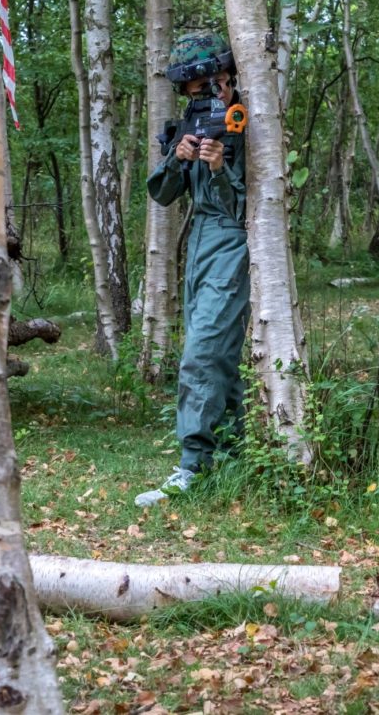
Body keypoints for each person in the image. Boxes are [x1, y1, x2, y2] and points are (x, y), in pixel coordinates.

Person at [136, 31, 249, 507]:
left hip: (230, 245)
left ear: (221, 81)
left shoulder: (244, 124)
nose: (194, 98)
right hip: (199, 246)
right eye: (189, 92)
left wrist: (222, 167)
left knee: (201, 353)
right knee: (217, 355)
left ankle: (192, 465)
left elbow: (243, 210)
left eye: (200, 88)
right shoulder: (195, 123)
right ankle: (233, 457)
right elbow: (161, 195)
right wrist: (176, 159)